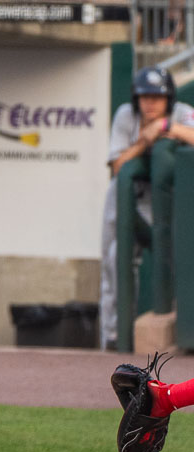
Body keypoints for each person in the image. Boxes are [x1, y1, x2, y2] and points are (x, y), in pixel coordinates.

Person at [99, 67, 194, 350]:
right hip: (128, 196)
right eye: (144, 96)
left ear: (168, 98)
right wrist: (144, 140)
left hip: (167, 199)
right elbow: (118, 166)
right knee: (114, 260)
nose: (150, 103)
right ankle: (113, 337)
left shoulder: (182, 112)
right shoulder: (126, 115)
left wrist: (165, 127)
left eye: (157, 97)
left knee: (177, 260)